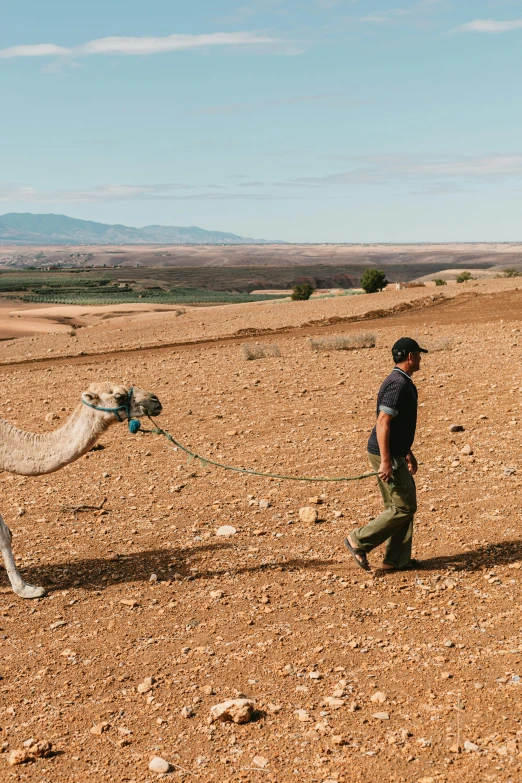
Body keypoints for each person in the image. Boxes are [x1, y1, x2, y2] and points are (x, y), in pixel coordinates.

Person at [344, 337, 428, 572]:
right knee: (403, 506)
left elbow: (397, 423)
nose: (421, 358)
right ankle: (357, 540)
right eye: (419, 354)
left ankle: (395, 560)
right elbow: (383, 422)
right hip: (385, 453)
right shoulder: (398, 384)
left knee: (399, 505)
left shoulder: (402, 381)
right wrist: (386, 461)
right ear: (410, 356)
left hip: (394, 452)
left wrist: (406, 452)